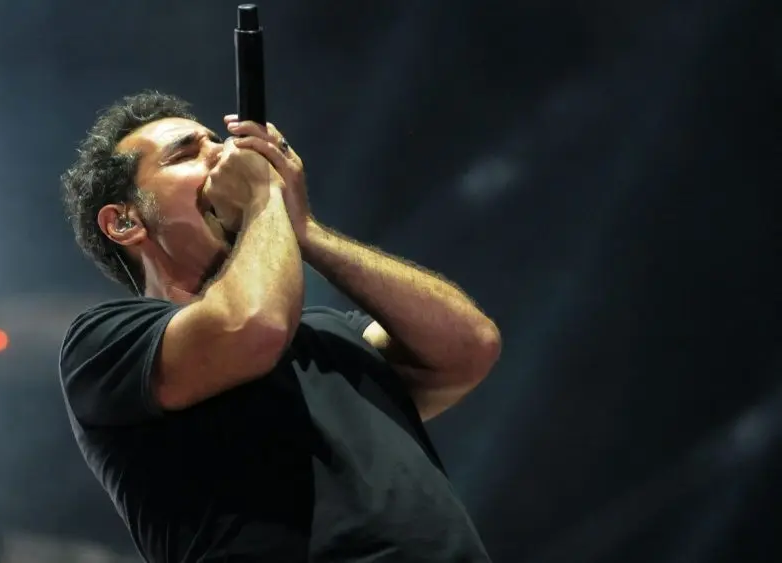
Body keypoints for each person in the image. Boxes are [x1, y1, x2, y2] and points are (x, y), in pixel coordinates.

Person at [59, 91, 501, 562]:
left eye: (219, 142)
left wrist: (305, 229)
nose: (230, 155)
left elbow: (471, 347)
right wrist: (261, 198)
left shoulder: (332, 334)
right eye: (187, 154)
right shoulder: (105, 342)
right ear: (125, 221)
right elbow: (254, 328)